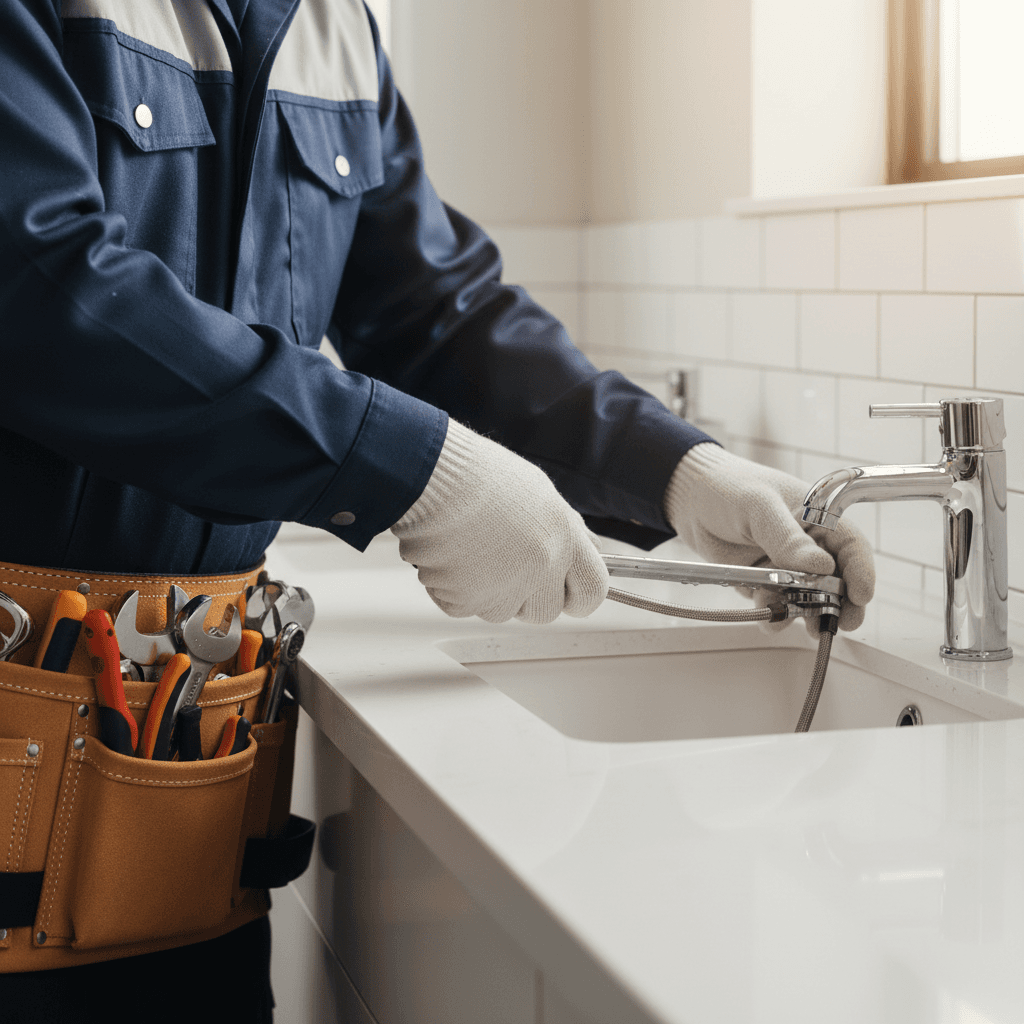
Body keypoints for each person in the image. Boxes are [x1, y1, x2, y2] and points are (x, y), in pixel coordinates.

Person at [0, 0, 874, 1019]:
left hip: (181, 814)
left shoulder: (330, 25)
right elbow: (38, 285)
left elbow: (430, 312)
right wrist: (409, 465)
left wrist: (677, 471)